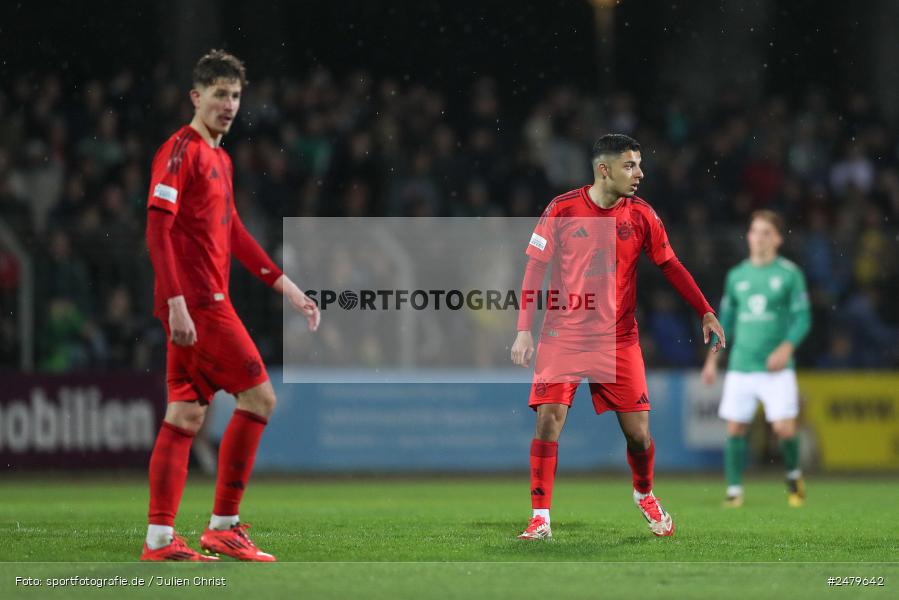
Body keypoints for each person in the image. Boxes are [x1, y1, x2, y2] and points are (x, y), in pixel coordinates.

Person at [141, 50, 320, 561]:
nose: (229, 104)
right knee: (260, 399)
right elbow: (157, 230)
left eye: (236, 95)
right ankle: (223, 525)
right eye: (219, 94)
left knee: (184, 415)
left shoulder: (221, 158)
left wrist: (286, 286)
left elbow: (233, 231)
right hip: (199, 304)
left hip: (199, 303)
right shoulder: (181, 150)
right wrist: (176, 302)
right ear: (196, 97)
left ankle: (159, 540)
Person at [512, 134, 725, 540]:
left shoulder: (642, 215)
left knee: (639, 436)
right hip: (564, 336)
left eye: (639, 164)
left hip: (618, 339)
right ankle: (540, 517)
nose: (639, 173)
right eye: (630, 165)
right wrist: (524, 328)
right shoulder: (561, 209)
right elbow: (534, 269)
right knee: (548, 422)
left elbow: (670, 264)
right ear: (603, 170)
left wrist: (705, 310)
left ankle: (644, 493)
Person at [701, 210, 811, 508]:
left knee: (784, 429)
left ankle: (793, 476)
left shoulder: (789, 274)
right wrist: (712, 361)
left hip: (777, 368)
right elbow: (725, 323)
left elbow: (803, 319)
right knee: (735, 428)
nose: (758, 238)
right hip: (742, 364)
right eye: (754, 231)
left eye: (765, 232)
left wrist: (786, 348)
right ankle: (734, 491)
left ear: (777, 239)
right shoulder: (737, 276)